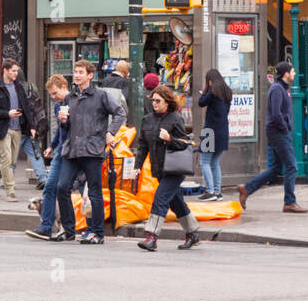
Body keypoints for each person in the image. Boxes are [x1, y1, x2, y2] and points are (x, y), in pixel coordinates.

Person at [55, 60, 125, 244]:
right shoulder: (70, 98)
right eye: (76, 72)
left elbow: (120, 113)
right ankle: (68, 230)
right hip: (72, 149)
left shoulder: (101, 95)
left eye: (81, 72)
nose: (77, 75)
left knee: (94, 192)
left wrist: (110, 132)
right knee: (62, 187)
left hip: (92, 149)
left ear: (90, 75)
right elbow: (67, 126)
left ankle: (97, 232)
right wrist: (63, 121)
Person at [132, 84, 202, 251]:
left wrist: (169, 139)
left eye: (158, 101)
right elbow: (142, 146)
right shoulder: (147, 120)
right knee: (176, 202)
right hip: (158, 168)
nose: (154, 103)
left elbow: (185, 144)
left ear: (167, 102)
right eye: (153, 100)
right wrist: (137, 166)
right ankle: (192, 233)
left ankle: (151, 237)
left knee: (160, 198)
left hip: (175, 169)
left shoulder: (176, 119)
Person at [237, 62, 308, 213]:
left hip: (278, 132)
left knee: (276, 168)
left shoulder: (282, 88)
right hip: (278, 133)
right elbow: (276, 114)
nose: (294, 74)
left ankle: (247, 189)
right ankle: (289, 202)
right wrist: (284, 127)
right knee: (291, 166)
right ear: (286, 74)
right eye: (293, 71)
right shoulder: (277, 89)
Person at [25, 75, 75, 241]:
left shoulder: (75, 102)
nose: (54, 97)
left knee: (72, 190)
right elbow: (60, 130)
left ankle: (72, 229)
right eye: (51, 95)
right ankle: (46, 226)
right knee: (50, 186)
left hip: (75, 152)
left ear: (63, 86)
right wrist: (52, 146)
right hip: (61, 152)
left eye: (55, 93)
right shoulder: (57, 105)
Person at [0, 59, 39, 202]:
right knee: (6, 159)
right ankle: (10, 192)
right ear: (5, 70)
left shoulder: (18, 87)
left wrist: (32, 126)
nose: (16, 73)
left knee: (12, 162)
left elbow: (26, 107)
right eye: (13, 70)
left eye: (17, 70)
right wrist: (7, 113)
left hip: (17, 128)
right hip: (2, 128)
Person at [197, 68, 231, 201]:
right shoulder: (227, 93)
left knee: (204, 161)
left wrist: (203, 93)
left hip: (210, 131)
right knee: (215, 163)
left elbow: (201, 103)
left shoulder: (212, 93)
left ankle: (210, 191)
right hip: (223, 131)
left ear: (210, 82)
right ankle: (217, 192)